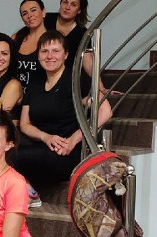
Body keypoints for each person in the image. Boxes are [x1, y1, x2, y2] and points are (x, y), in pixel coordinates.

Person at [13, 30, 111, 207]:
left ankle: (27, 193)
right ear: (38, 55)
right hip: (41, 143)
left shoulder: (76, 80)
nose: (49, 56)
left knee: (17, 156)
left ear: (66, 55)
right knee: (3, 149)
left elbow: (105, 111)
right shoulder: (35, 82)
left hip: (66, 150)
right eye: (44, 51)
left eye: (55, 51)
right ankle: (29, 190)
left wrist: (74, 139)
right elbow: (25, 124)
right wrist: (45, 137)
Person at [45, 0, 114, 98]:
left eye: (73, 5)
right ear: (60, 4)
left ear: (79, 10)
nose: (67, 7)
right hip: (44, 73)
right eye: (65, 2)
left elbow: (89, 63)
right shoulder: (46, 19)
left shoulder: (82, 33)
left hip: (68, 79)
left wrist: (101, 88)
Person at [12, 0, 47, 90]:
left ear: (43, 12)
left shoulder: (53, 41)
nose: (29, 15)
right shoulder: (15, 38)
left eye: (33, 10)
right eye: (25, 13)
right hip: (14, 95)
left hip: (39, 95)